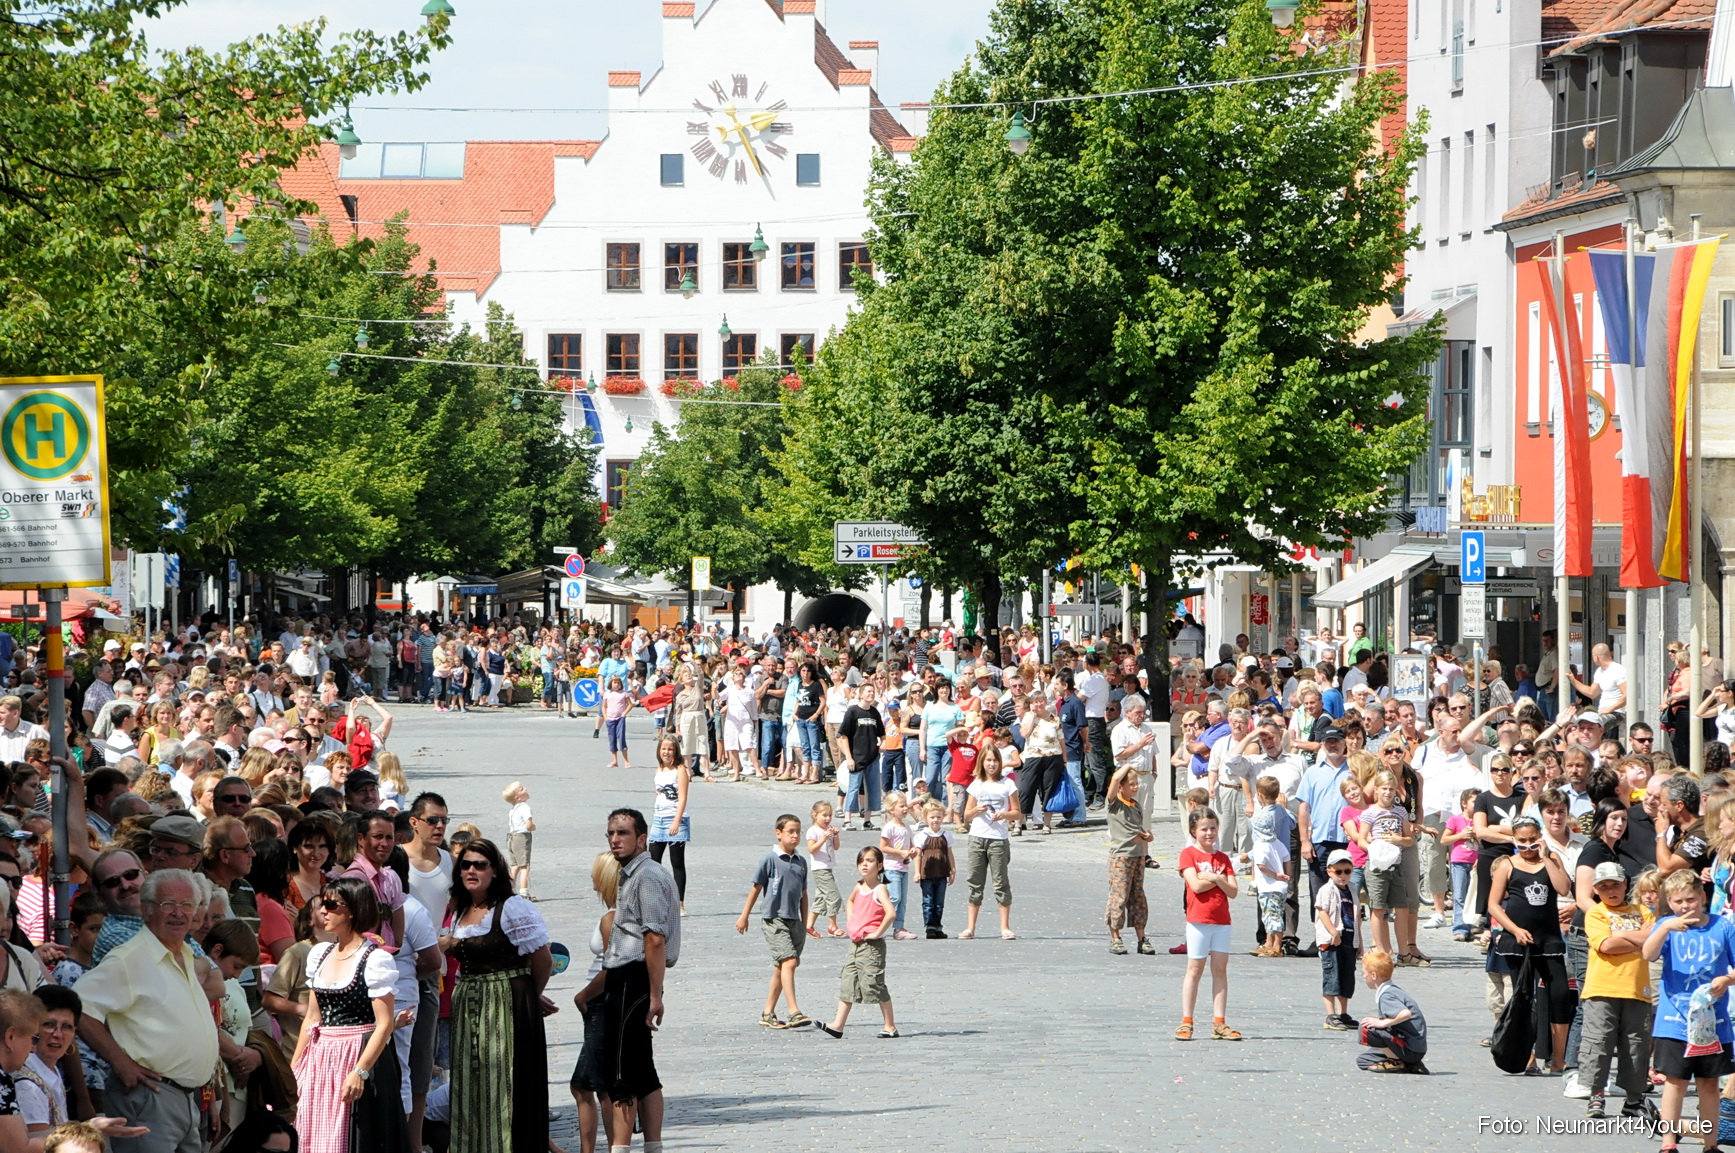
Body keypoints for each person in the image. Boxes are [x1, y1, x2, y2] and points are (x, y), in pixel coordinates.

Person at [75, 869, 218, 1153]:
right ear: (146, 909)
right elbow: (78, 1007)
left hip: (186, 1099)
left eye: (187, 905)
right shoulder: (129, 958)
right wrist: (121, 1062)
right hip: (149, 1098)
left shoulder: (186, 953)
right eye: (168, 905)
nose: (178, 913)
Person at [573, 809, 679, 1153]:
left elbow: (655, 939)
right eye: (611, 834)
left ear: (642, 838)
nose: (615, 839)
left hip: (631, 979)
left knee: (622, 1076)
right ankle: (652, 1147)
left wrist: (653, 994)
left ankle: (620, 1148)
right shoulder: (634, 873)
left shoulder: (645, 876)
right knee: (643, 1071)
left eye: (622, 833)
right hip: (633, 978)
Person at [442, 837, 554, 1153]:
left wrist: (529, 997)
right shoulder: (460, 908)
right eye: (466, 865)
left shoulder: (511, 907)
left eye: (480, 865)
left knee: (507, 1084)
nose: (472, 870)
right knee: (472, 1084)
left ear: (495, 870)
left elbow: (542, 959)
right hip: (470, 1009)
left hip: (507, 1006)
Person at [289, 876, 404, 1152]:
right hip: (320, 1058)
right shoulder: (321, 953)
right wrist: (292, 1070)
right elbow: (313, 1018)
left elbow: (384, 1023)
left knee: (352, 1135)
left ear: (352, 910)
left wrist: (360, 1071)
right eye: (321, 904)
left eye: (331, 904)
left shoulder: (374, 959)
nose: (323, 911)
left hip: (356, 1054)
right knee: (313, 1129)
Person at [1643, 867, 1735, 1153]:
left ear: (1702, 897)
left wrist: (1728, 978)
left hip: (1713, 1022)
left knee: (1709, 1084)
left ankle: (1711, 1145)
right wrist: (1666, 928)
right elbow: (1648, 954)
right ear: (1669, 902)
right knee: (1675, 1083)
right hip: (1675, 1019)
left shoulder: (1723, 926)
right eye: (1678, 901)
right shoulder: (1666, 925)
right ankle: (1668, 1143)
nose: (1685, 906)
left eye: (1691, 900)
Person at [1488, 815, 1574, 1075]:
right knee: (1523, 995)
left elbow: (1563, 889)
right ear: (1515, 840)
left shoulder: (1551, 860)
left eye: (1532, 840)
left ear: (1540, 838)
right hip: (1518, 939)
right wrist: (1514, 929)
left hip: (1548, 938)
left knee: (1560, 995)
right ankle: (1529, 1057)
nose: (1527, 846)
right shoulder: (1507, 865)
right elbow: (1493, 904)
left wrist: (1547, 857)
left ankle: (1558, 1059)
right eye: (1522, 841)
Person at [1577, 861, 1658, 1122]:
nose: (1611, 891)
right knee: (1598, 1043)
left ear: (1625, 884)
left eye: (1615, 884)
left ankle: (1634, 1098)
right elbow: (1606, 945)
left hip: (1636, 989)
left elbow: (1653, 939)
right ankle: (1596, 1094)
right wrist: (1637, 938)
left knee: (1636, 1045)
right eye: (1604, 887)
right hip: (1602, 988)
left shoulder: (1644, 912)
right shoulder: (1596, 914)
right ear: (1596, 890)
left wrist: (1623, 936)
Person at [733, 814, 812, 1031]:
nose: (796, 836)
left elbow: (804, 894)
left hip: (794, 920)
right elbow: (756, 888)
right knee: (789, 961)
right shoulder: (770, 859)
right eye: (791, 831)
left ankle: (767, 1013)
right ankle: (794, 1011)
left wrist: (805, 923)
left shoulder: (801, 862)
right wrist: (744, 915)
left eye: (798, 831)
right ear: (779, 834)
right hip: (774, 918)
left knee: (781, 967)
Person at [814, 846, 898, 1040]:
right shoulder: (859, 886)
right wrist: (852, 921)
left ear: (879, 865)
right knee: (848, 982)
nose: (865, 865)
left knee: (874, 984)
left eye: (869, 861)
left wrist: (877, 932)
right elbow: (850, 901)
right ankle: (838, 1025)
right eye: (861, 862)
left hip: (872, 946)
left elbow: (891, 913)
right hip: (855, 944)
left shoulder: (880, 889)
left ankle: (890, 1026)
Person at [570, 853, 620, 1153]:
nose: (592, 881)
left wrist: (583, 995)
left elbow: (611, 968)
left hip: (601, 1003)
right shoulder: (617, 913)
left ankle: (611, 1146)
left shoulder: (612, 917)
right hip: (602, 1003)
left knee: (591, 1085)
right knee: (594, 1084)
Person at [1177, 807, 1240, 1041]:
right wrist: (1220, 881)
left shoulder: (1223, 858)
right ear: (1194, 831)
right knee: (1194, 970)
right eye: (1204, 829)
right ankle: (1186, 1021)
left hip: (1222, 921)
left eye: (1213, 828)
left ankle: (1219, 1022)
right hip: (1198, 920)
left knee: (1220, 970)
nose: (1209, 833)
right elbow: (1195, 885)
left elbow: (1233, 891)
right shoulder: (1188, 854)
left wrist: (1215, 878)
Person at [960, 743, 1019, 940]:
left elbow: (1017, 813)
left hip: (998, 839)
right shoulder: (976, 784)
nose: (991, 764)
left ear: (999, 763)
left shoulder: (1008, 784)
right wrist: (975, 810)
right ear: (982, 762)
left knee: (1000, 882)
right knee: (975, 882)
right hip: (977, 837)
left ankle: (1005, 926)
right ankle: (970, 927)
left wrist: (1004, 814)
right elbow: (966, 815)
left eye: (994, 760)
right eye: (988, 760)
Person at [1104, 762, 1155, 956]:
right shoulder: (1115, 803)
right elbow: (1115, 779)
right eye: (1131, 784)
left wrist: (1148, 838)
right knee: (1119, 895)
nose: (1135, 787)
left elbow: (1142, 831)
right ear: (1121, 787)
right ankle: (1115, 936)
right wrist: (1128, 765)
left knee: (1138, 896)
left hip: (1138, 855)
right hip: (1121, 856)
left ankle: (1141, 937)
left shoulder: (1136, 805)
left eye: (1136, 784)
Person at [1356, 950, 1429, 1073]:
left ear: (1373, 975)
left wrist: (1382, 1023)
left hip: (1411, 1049)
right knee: (1364, 1060)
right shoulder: (1391, 990)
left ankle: (1397, 1061)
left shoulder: (1387, 995)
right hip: (1415, 1047)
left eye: (1364, 973)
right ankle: (1410, 1065)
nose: (1363, 976)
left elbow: (1405, 1013)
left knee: (1366, 1027)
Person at [1315, 849, 1358, 1030]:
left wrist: (1360, 941)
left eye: (1347, 871)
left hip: (1349, 938)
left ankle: (1343, 1013)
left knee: (1347, 977)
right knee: (1332, 976)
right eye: (1338, 871)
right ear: (1330, 871)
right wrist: (1333, 932)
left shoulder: (1352, 890)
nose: (1343, 876)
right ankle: (1330, 1014)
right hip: (1331, 940)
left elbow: (1357, 917)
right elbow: (1321, 910)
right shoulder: (1326, 890)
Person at [647, 738, 690, 909]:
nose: (666, 752)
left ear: (675, 751)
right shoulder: (658, 770)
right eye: (663, 748)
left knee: (677, 862)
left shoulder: (680, 770)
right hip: (659, 819)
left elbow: (683, 797)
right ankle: (655, 899)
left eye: (670, 749)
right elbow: (657, 793)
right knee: (652, 861)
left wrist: (676, 822)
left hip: (676, 819)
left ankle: (679, 903)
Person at [1248, 801, 1290, 960]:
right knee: (1272, 915)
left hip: (1268, 886)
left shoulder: (1260, 845)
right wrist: (1287, 875)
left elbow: (1261, 866)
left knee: (1273, 916)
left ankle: (1277, 946)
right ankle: (1268, 943)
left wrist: (1276, 875)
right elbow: (1287, 858)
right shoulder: (1277, 843)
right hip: (1280, 888)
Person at [911, 800, 956, 940]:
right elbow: (918, 855)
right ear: (926, 818)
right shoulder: (922, 836)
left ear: (943, 817)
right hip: (927, 872)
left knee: (939, 902)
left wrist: (953, 869)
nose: (935, 820)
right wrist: (917, 872)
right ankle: (929, 926)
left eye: (938, 817)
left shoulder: (946, 836)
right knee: (928, 900)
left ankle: (938, 926)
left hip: (942, 872)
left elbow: (949, 853)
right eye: (932, 817)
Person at [804, 802, 842, 939]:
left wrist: (835, 836)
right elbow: (812, 849)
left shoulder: (829, 828)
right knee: (833, 896)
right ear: (815, 816)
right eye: (824, 815)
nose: (828, 819)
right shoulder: (813, 831)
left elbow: (836, 847)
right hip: (820, 869)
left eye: (830, 815)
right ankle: (832, 926)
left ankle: (809, 925)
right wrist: (824, 838)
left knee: (821, 899)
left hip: (828, 867)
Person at [502, 782, 536, 902]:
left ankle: (508, 889)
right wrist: (533, 827)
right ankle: (524, 891)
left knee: (514, 866)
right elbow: (528, 824)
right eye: (522, 789)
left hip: (511, 837)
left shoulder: (513, 810)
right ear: (517, 797)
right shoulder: (525, 807)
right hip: (522, 837)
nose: (526, 789)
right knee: (524, 866)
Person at [603, 676, 635, 770]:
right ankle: (614, 760)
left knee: (621, 738)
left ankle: (626, 761)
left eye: (618, 683)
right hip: (610, 719)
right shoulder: (607, 694)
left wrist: (624, 713)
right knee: (612, 739)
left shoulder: (623, 694)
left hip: (620, 719)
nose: (616, 685)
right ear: (610, 684)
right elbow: (604, 707)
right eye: (614, 683)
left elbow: (630, 705)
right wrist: (605, 717)